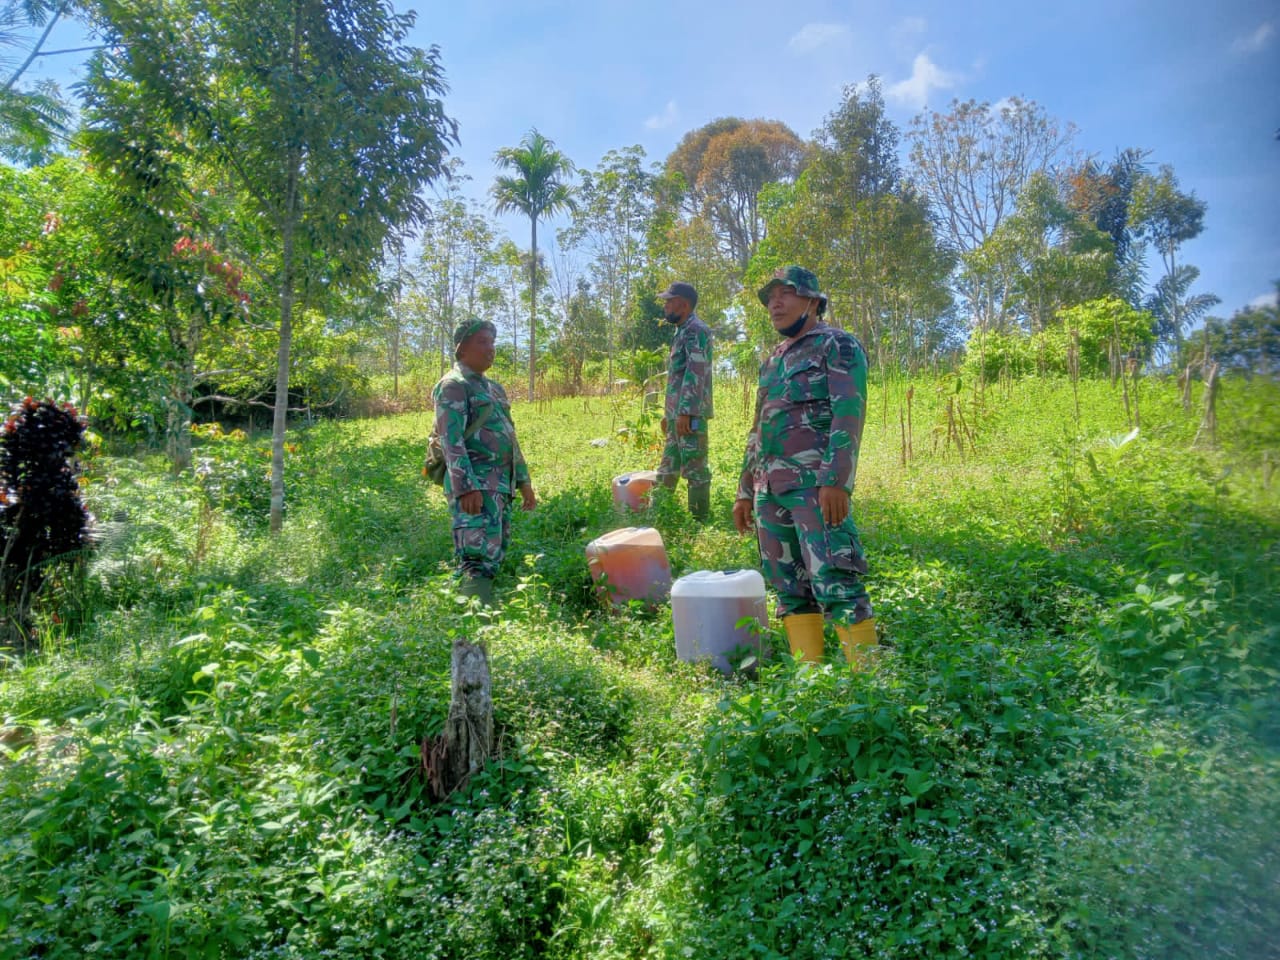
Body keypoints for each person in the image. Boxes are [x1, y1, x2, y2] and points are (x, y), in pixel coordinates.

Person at [732, 266, 877, 666]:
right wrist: (745, 491)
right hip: (770, 491)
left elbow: (849, 414)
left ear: (813, 300)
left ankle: (869, 686)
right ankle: (810, 684)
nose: (774, 303)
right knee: (789, 588)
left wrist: (837, 480)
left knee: (835, 580)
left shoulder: (838, 346)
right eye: (769, 297)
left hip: (815, 487)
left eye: (785, 293)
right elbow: (757, 428)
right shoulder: (773, 360)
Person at [433, 317, 537, 605]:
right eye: (482, 342)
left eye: (492, 342)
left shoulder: (495, 389)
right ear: (461, 348)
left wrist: (524, 482)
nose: (490, 349)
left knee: (493, 555)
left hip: (500, 486)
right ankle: (471, 631)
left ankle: (484, 619)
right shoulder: (453, 386)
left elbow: (510, 436)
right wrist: (466, 487)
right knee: (475, 559)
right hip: (475, 488)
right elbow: (450, 440)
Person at [655, 281, 714, 521]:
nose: (666, 306)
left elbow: (695, 371)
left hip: (689, 416)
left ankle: (699, 522)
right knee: (668, 468)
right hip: (677, 415)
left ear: (684, 304)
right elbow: (678, 378)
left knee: (695, 468)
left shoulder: (695, 330)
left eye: (670, 301)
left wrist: (686, 412)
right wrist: (669, 414)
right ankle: (658, 518)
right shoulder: (682, 331)